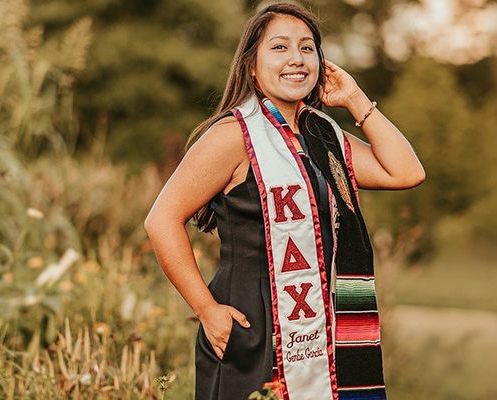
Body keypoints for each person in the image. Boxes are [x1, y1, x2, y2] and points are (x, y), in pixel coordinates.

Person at [144, 2, 424, 399]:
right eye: (279, 47)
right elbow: (161, 220)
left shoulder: (324, 136)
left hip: (323, 332)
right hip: (249, 331)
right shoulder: (233, 135)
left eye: (307, 48)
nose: (296, 58)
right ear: (251, 66)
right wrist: (206, 310)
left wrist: (357, 100)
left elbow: (406, 172)